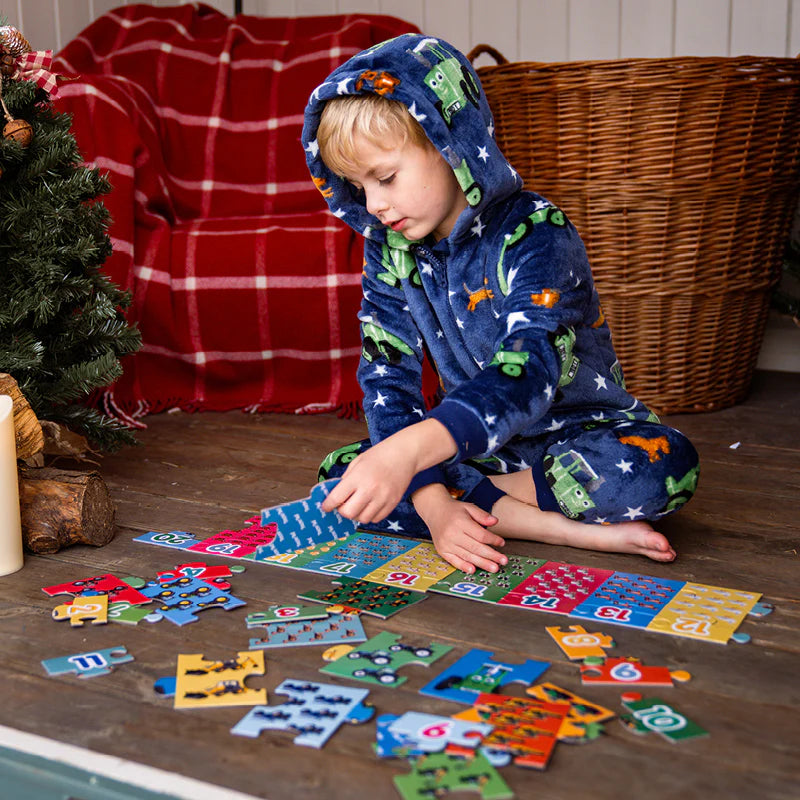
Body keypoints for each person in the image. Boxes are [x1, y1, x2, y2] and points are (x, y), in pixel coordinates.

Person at [301, 34, 699, 575]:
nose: (374, 204)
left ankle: (493, 505)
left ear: (449, 144)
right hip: (476, 448)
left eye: (386, 178)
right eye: (357, 186)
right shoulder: (390, 250)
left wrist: (412, 456)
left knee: (664, 463)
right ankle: (545, 524)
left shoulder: (538, 231)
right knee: (344, 478)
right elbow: (386, 376)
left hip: (581, 438)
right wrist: (433, 505)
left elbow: (529, 370)